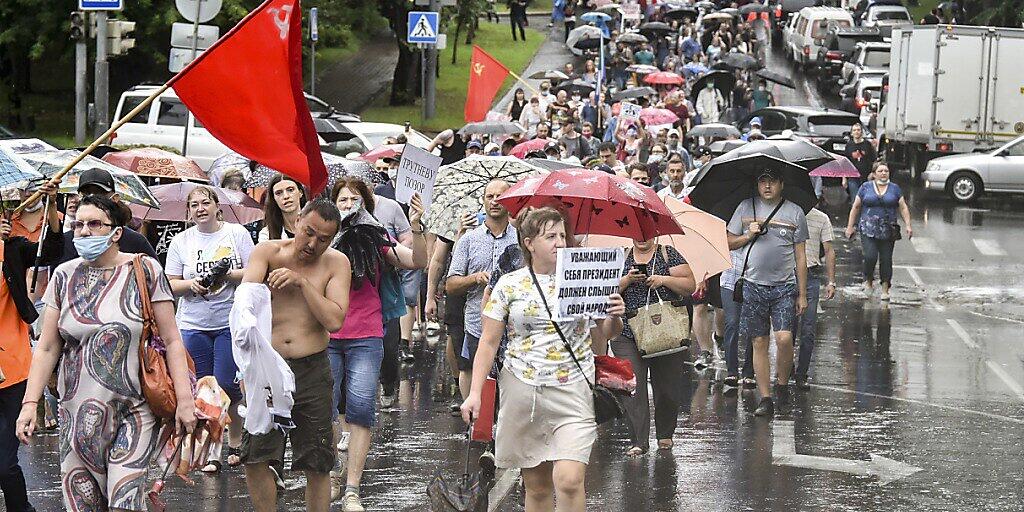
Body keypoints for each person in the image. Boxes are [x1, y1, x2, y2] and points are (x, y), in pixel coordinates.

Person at [17, 194, 197, 509]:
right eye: (78, 224)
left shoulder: (146, 271)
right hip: (75, 416)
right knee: (83, 504)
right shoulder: (64, 276)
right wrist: (30, 404)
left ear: (115, 233)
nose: (84, 231)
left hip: (133, 410)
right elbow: (46, 347)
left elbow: (172, 341)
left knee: (124, 501)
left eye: (94, 224)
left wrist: (184, 401)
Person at [461, 207, 624, 512]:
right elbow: (488, 341)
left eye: (563, 235)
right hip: (523, 390)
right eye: (550, 236)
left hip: (573, 388)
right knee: (537, 488)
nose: (559, 242)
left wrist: (615, 314)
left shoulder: (584, 278)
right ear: (529, 243)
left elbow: (609, 332)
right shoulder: (509, 284)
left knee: (570, 479)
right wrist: (474, 394)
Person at [239, 200, 351, 512]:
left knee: (317, 460)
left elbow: (334, 320)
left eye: (324, 239)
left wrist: (302, 283)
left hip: (311, 367)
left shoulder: (336, 263)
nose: (313, 244)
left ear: (333, 239)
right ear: (298, 220)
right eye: (308, 232)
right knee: (256, 454)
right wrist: (245, 370)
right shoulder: (267, 253)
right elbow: (244, 310)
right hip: (267, 368)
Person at [328, 179, 426, 509]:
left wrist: (417, 227)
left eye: (354, 199)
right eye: (342, 199)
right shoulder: (323, 239)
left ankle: (352, 487)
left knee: (360, 410)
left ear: (366, 204)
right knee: (325, 409)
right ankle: (333, 473)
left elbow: (416, 261)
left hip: (366, 336)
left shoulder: (375, 236)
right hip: (326, 335)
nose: (348, 204)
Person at [165, 185, 254, 472]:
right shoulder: (181, 241)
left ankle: (236, 439)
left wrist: (226, 274)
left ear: (218, 206)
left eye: (206, 203)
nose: (200, 208)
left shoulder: (236, 234)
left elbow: (254, 272)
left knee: (226, 384)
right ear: (188, 212)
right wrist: (190, 285)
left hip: (229, 320)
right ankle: (211, 450)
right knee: (203, 390)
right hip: (193, 324)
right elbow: (170, 283)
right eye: (194, 205)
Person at [727, 170, 809, 417]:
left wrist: (802, 293)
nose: (767, 185)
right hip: (752, 285)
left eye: (772, 181)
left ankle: (782, 384)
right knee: (759, 341)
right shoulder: (745, 207)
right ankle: (766, 398)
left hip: (784, 286)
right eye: (763, 180)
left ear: (782, 185)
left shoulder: (795, 212)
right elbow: (728, 242)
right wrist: (747, 234)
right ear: (757, 184)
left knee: (784, 339)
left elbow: (801, 255)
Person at [2, 180, 62, 512]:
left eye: (4, 210)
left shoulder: (13, 250)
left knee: (5, 463)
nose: (3, 216)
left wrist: (52, 205)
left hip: (12, 368)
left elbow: (51, 250)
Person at [615, 238, 694, 455]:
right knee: (632, 386)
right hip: (627, 331)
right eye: (637, 233)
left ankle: (665, 434)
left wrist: (663, 280)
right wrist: (628, 280)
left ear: (655, 234)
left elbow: (689, 286)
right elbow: (603, 290)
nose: (642, 238)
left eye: (646, 233)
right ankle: (638, 441)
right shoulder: (620, 257)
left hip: (665, 331)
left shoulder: (668, 254)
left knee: (667, 387)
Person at [446, 181, 518, 403]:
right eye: (489, 196)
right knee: (471, 369)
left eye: (500, 196)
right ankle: (473, 420)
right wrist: (474, 278)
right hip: (477, 322)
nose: (494, 201)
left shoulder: (521, 239)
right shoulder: (468, 239)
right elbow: (450, 284)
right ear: (483, 201)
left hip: (514, 324)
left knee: (511, 376)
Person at [55, 168, 157, 267]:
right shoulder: (67, 242)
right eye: (86, 195)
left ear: (115, 199)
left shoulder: (135, 241)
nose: (92, 200)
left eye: (99, 194)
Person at [844, 163, 912, 301]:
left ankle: (885, 288)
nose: (883, 173)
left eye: (886, 171)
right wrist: (850, 226)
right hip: (868, 229)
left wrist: (908, 225)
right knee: (870, 256)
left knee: (886, 260)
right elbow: (856, 207)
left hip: (888, 230)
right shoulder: (865, 187)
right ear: (874, 174)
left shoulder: (895, 189)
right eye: (880, 171)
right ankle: (868, 280)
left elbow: (903, 207)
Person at [794, 207, 837, 390]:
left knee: (808, 328)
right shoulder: (785, 214)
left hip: (811, 275)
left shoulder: (821, 218)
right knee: (787, 328)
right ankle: (786, 369)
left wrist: (831, 281)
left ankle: (802, 373)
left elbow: (829, 250)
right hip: (786, 275)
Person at [259, 174, 308, 242]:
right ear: (274, 199)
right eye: (279, 193)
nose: (286, 196)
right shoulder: (267, 234)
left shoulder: (316, 226)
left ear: (300, 192)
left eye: (290, 190)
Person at [842, 123, 876, 202]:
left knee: (866, 200)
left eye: (858, 130)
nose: (856, 132)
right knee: (856, 201)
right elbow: (845, 163)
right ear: (852, 133)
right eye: (854, 130)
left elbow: (874, 160)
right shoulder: (849, 145)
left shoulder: (867, 144)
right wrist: (844, 178)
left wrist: (872, 173)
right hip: (853, 177)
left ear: (861, 132)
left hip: (866, 177)